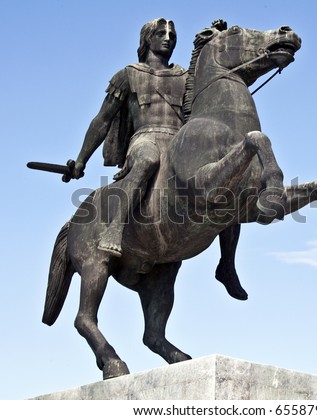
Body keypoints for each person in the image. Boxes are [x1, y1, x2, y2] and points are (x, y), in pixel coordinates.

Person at [70, 18, 248, 300]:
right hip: (146, 137)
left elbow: (216, 75)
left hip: (181, 143)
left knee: (229, 182)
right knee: (148, 160)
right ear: (146, 39)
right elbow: (102, 120)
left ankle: (227, 264)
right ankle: (114, 229)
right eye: (160, 33)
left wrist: (219, 38)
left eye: (172, 34)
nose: (168, 37)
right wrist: (81, 161)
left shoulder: (185, 77)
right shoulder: (127, 75)